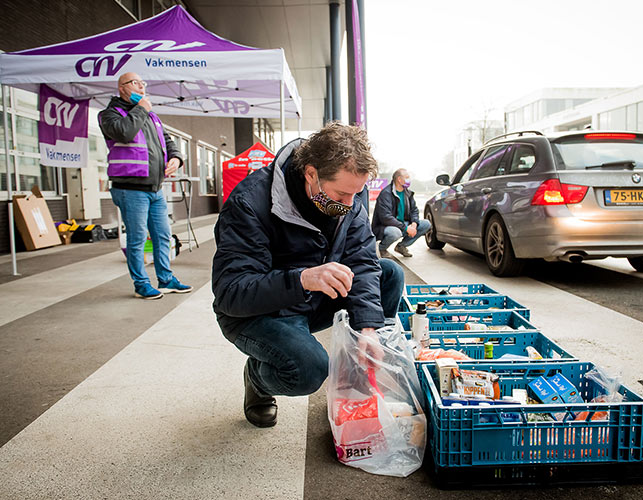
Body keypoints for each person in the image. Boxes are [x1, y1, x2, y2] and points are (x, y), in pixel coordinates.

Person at [212, 122, 404, 428]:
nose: (350, 205)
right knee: (310, 369)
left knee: (389, 274)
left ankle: (359, 380)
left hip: (313, 296)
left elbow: (363, 259)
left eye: (356, 194)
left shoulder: (348, 194)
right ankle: (258, 381)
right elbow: (231, 292)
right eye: (341, 196)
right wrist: (302, 279)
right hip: (262, 311)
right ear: (311, 174)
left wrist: (368, 328)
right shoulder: (249, 203)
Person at [99, 72, 192, 300]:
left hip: (155, 188)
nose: (142, 87)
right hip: (130, 189)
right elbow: (125, 132)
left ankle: (166, 279)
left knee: (163, 236)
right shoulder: (109, 114)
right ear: (122, 87)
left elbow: (169, 142)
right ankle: (141, 284)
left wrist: (177, 159)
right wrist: (141, 108)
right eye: (136, 83)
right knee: (137, 238)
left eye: (143, 83)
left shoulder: (151, 116)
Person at [371, 168, 431, 257]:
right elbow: (385, 217)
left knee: (426, 224)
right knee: (395, 233)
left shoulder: (408, 193)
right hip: (387, 226)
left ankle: (401, 246)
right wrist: (406, 228)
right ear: (399, 179)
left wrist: (414, 224)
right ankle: (382, 248)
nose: (409, 179)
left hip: (403, 224)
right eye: (407, 177)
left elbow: (414, 210)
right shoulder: (386, 194)